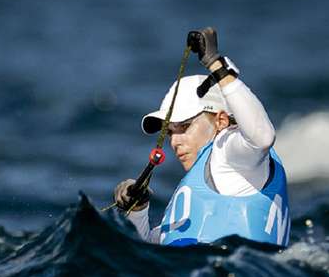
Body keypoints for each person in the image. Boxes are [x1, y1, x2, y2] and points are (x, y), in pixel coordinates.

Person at [113, 27, 290, 247]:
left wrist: (217, 66)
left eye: (184, 126)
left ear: (221, 121)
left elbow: (263, 137)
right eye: (169, 131)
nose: (174, 141)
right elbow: (149, 254)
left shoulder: (229, 153)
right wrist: (138, 212)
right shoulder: (196, 189)